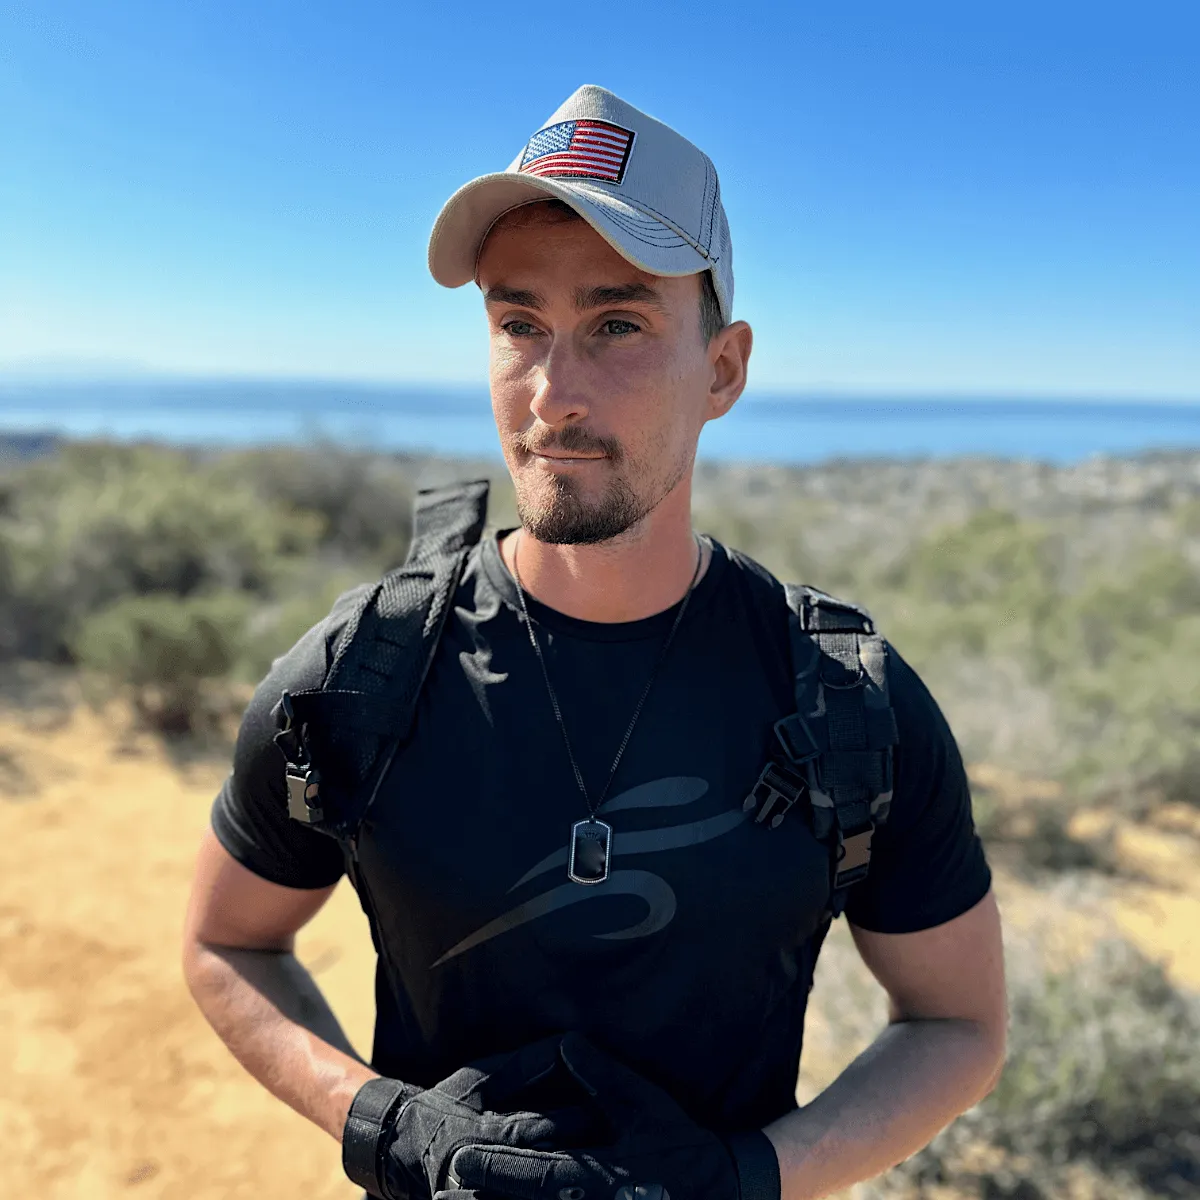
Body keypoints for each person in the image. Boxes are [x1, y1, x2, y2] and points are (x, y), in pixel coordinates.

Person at [183, 85, 1006, 1200]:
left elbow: (958, 1023)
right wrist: (380, 1122)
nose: (554, 397)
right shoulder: (364, 674)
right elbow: (226, 945)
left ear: (723, 370)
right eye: (519, 325)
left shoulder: (842, 702)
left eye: (618, 325)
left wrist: (746, 1176)